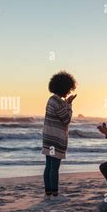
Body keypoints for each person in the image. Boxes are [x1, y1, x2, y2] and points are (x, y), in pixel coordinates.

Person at [42, 71, 77, 199]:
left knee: (49, 165)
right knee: (54, 167)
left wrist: (66, 103)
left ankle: (48, 192)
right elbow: (66, 119)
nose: (68, 91)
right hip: (56, 138)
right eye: (68, 89)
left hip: (48, 137)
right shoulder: (58, 101)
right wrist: (69, 104)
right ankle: (55, 193)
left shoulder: (51, 99)